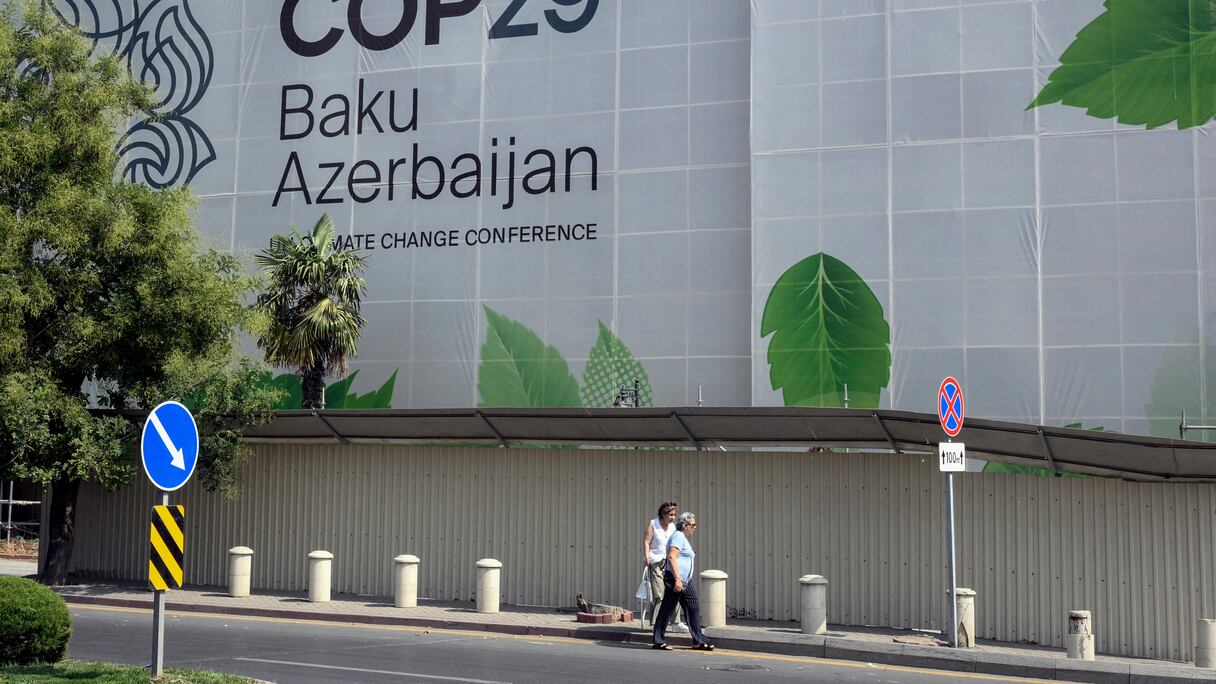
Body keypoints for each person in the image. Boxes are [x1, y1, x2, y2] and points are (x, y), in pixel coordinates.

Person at [652, 512, 714, 651]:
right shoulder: (678, 536)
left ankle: (698, 641)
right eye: (692, 524)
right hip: (676, 579)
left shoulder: (682, 537)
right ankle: (658, 640)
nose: (694, 527)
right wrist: (678, 580)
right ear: (684, 525)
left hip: (686, 580)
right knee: (667, 609)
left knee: (693, 607)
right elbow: (671, 557)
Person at [642, 501, 686, 631]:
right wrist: (647, 557)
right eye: (670, 514)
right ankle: (656, 623)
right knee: (659, 593)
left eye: (674, 515)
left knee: (675, 589)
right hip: (656, 561)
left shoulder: (674, 527)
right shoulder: (653, 524)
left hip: (670, 562)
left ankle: (676, 622)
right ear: (663, 514)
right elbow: (646, 542)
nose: (672, 517)